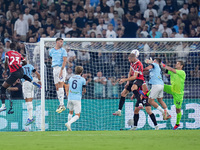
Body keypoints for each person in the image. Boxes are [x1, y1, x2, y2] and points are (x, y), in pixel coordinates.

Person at [0, 43, 41, 112]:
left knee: (3, 88)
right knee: (23, 75)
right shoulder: (19, 54)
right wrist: (19, 64)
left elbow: (6, 61)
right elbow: (24, 63)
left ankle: (3, 106)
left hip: (14, 73)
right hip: (21, 71)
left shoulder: (8, 53)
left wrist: (5, 70)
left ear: (10, 47)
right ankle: (32, 82)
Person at [162, 61, 186, 130]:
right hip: (172, 89)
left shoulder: (182, 72)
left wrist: (163, 64)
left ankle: (177, 124)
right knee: (160, 85)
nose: (176, 64)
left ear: (181, 66)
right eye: (176, 63)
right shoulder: (173, 72)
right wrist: (159, 64)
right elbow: (165, 70)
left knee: (178, 110)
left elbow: (170, 69)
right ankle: (147, 94)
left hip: (178, 94)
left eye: (178, 63)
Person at [49, 38, 67, 113]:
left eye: (62, 42)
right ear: (57, 42)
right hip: (54, 69)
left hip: (60, 68)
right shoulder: (51, 51)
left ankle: (62, 104)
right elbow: (51, 58)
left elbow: (65, 60)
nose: (62, 43)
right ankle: (60, 104)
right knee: (57, 87)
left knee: (60, 85)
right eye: (60, 41)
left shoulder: (63, 50)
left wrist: (61, 70)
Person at [65, 66, 86, 131]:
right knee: (77, 115)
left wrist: (67, 94)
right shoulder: (83, 79)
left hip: (70, 97)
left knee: (70, 112)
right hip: (77, 98)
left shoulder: (71, 78)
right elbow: (84, 90)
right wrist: (81, 93)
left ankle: (68, 129)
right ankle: (69, 123)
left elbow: (67, 87)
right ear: (81, 72)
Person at [22, 55, 41, 126]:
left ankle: (30, 117)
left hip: (26, 83)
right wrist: (39, 80)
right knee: (29, 101)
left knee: (28, 101)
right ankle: (30, 117)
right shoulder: (30, 66)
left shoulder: (20, 68)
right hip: (32, 83)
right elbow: (38, 74)